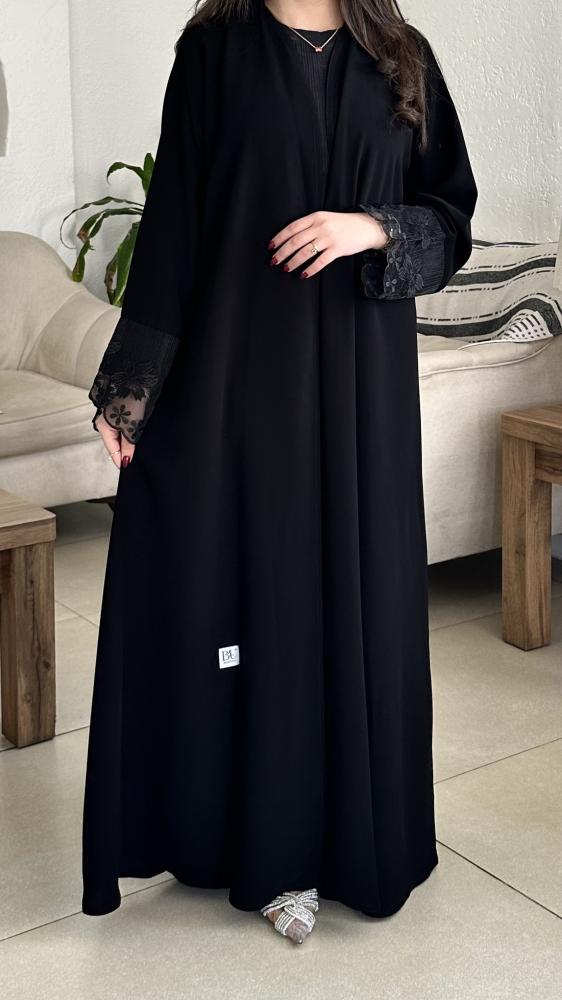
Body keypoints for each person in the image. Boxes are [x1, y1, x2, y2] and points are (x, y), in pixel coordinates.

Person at [81, 0, 477, 945]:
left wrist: (371, 228)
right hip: (241, 381)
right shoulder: (213, 53)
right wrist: (131, 390)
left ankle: (356, 840)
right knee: (261, 598)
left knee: (358, 598)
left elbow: (451, 215)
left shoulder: (402, 54)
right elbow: (175, 224)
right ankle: (272, 850)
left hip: (365, 393)